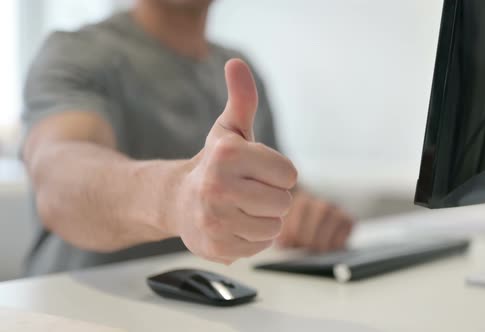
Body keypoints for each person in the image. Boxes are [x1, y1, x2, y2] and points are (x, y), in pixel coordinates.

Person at [21, 0, 354, 275]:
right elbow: (58, 178)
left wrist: (306, 217)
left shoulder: (238, 69)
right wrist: (176, 197)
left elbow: (284, 192)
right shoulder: (76, 53)